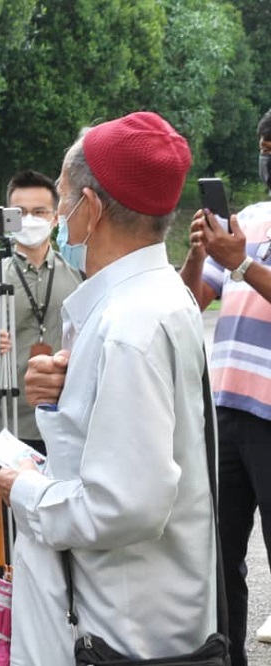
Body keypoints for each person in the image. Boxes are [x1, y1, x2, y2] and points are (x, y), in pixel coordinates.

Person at [0, 112, 215, 664]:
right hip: (131, 611)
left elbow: (126, 505)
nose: (59, 219)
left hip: (119, 627)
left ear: (90, 210)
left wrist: (24, 488)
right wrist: (66, 388)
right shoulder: (152, 299)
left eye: (64, 200)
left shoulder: (130, 326)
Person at [179, 107, 271, 665]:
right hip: (226, 412)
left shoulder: (244, 242)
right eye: (267, 142)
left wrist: (241, 265)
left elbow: (241, 274)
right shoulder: (251, 217)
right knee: (220, 559)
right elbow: (192, 300)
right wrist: (198, 255)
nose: (268, 152)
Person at [0, 170, 82, 478]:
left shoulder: (78, 278)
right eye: (20, 213)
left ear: (55, 217)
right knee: (12, 517)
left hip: (65, 422)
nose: (30, 220)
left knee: (63, 517)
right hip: (7, 421)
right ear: (7, 218)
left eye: (39, 212)